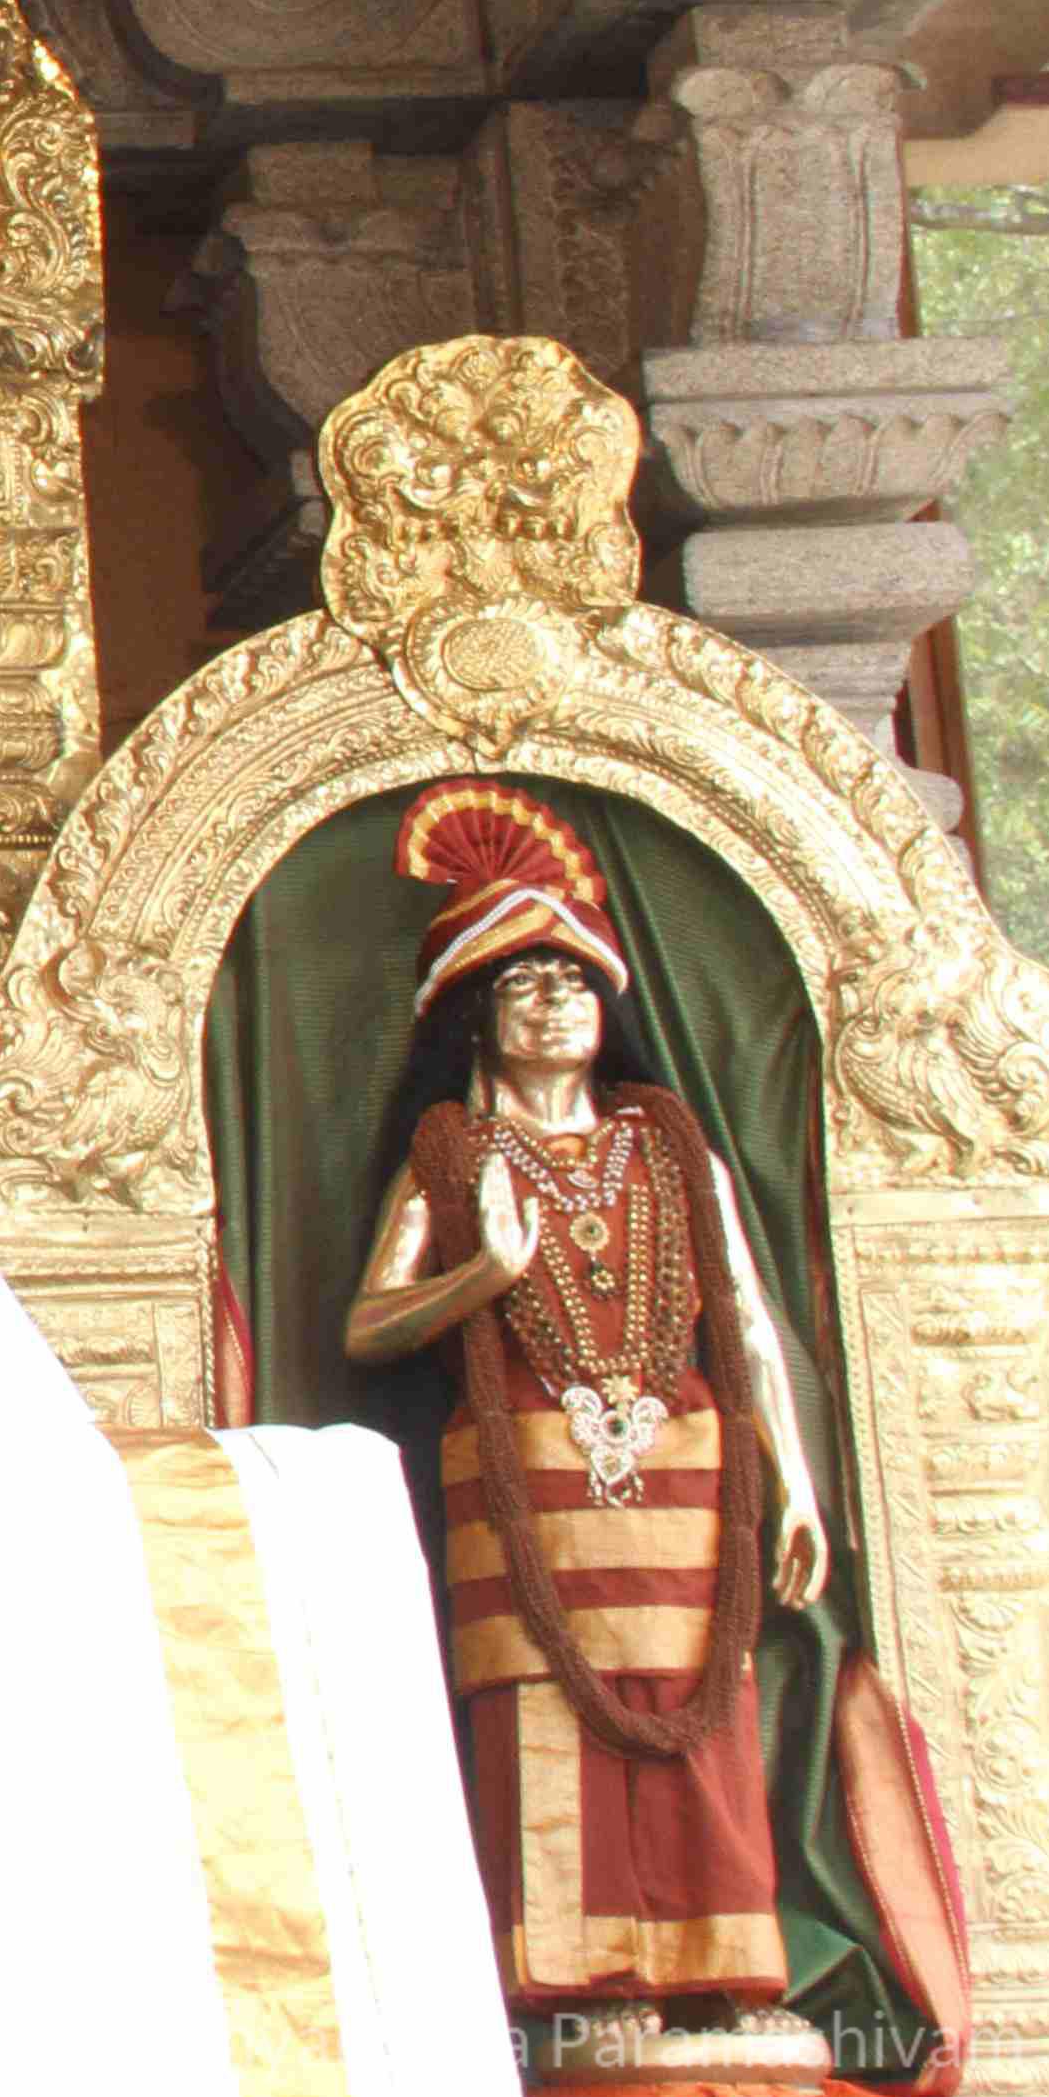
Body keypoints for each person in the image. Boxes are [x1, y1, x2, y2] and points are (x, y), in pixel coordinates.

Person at [344, 782, 826, 2019]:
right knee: (547, 1719)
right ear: (477, 1015)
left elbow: (747, 1319)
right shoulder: (450, 1156)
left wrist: (796, 1488)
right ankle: (581, 1989)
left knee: (698, 1712)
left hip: (688, 1475)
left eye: (573, 980)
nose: (553, 1001)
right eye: (522, 982)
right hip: (527, 1489)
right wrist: (484, 1276)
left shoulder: (670, 1144)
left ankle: (716, 1978)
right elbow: (366, 1326)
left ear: (609, 1005)